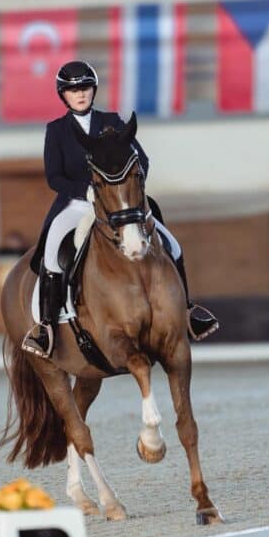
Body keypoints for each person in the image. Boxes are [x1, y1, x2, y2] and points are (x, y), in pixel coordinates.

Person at [24, 60, 218, 358]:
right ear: (63, 95)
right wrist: (86, 191)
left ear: (94, 91)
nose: (80, 94)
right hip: (78, 205)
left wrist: (129, 191)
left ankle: (188, 309)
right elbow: (54, 176)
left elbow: (142, 160)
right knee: (52, 255)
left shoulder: (112, 121)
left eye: (85, 88)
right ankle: (46, 328)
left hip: (121, 206)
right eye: (74, 90)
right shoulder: (57, 130)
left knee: (173, 245)